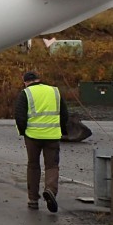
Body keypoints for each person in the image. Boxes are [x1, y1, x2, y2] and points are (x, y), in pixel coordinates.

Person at [15, 71, 68, 212]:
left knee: (33, 166)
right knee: (52, 165)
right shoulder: (54, 91)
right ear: (39, 79)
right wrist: (62, 130)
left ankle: (33, 199)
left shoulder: (25, 93)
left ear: (26, 82)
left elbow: (19, 116)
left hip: (33, 136)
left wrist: (23, 131)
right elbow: (64, 114)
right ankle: (50, 190)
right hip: (53, 135)